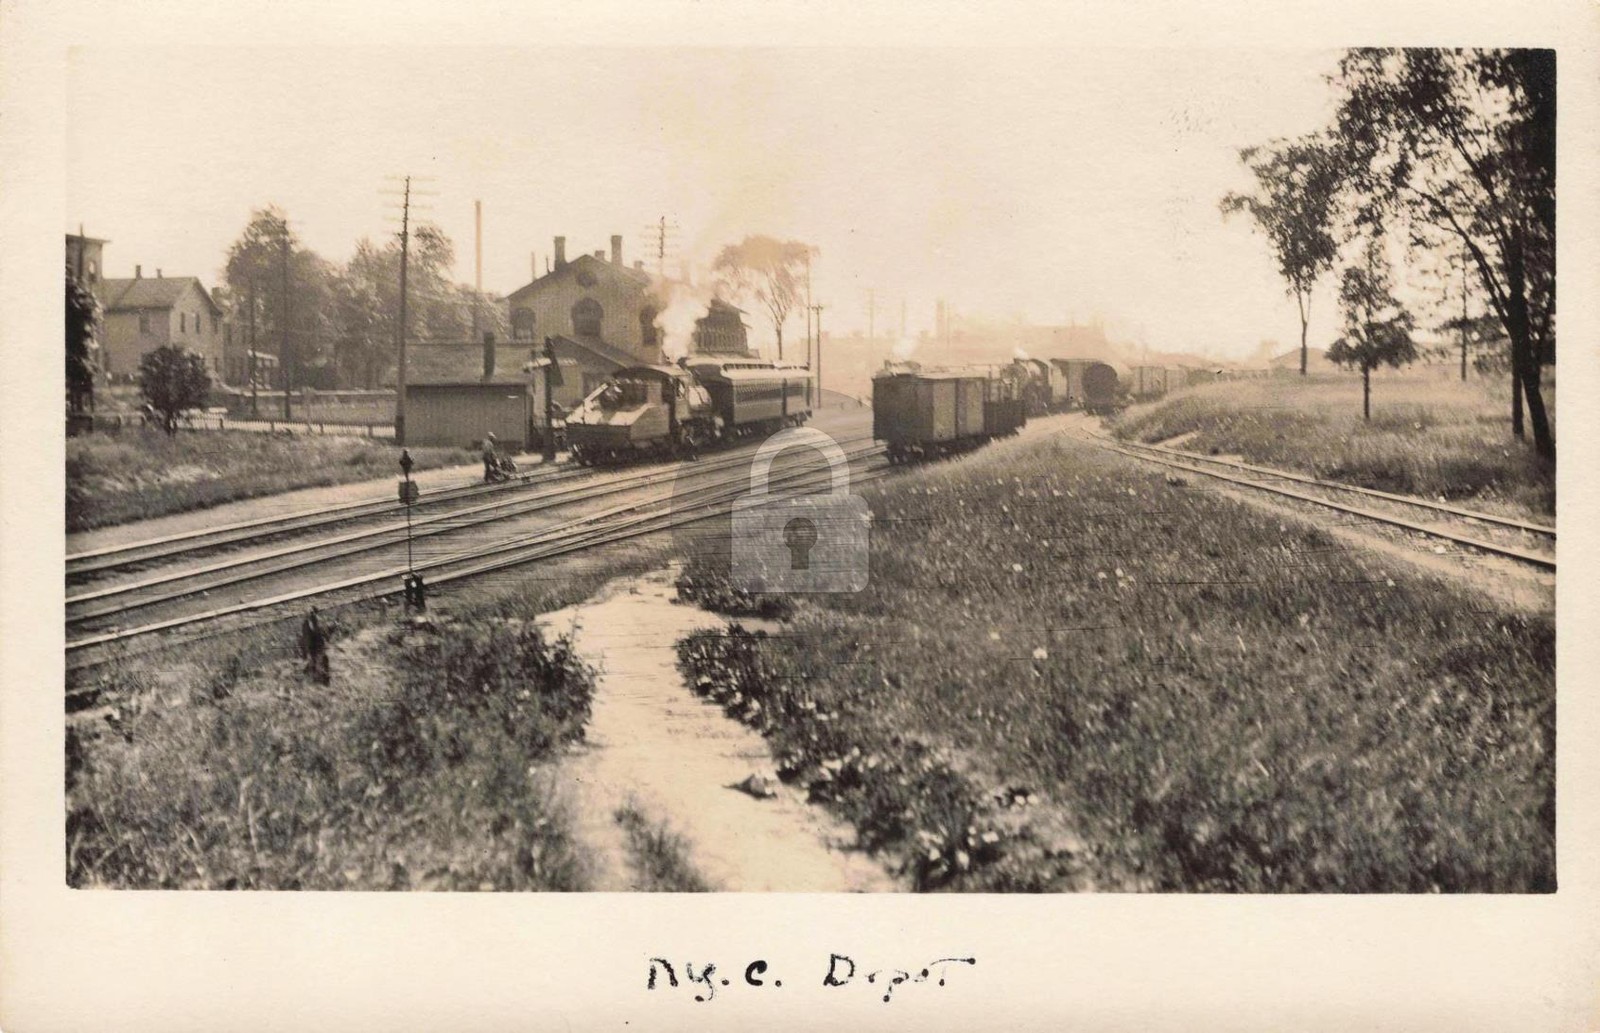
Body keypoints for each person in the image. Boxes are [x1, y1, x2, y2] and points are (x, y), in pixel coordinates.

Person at [299, 607, 331, 685]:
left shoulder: (314, 670)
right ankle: (312, 615)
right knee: (315, 632)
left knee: (308, 633)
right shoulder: (324, 668)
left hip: (314, 649)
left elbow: (308, 667)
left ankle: (309, 616)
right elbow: (325, 658)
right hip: (317, 648)